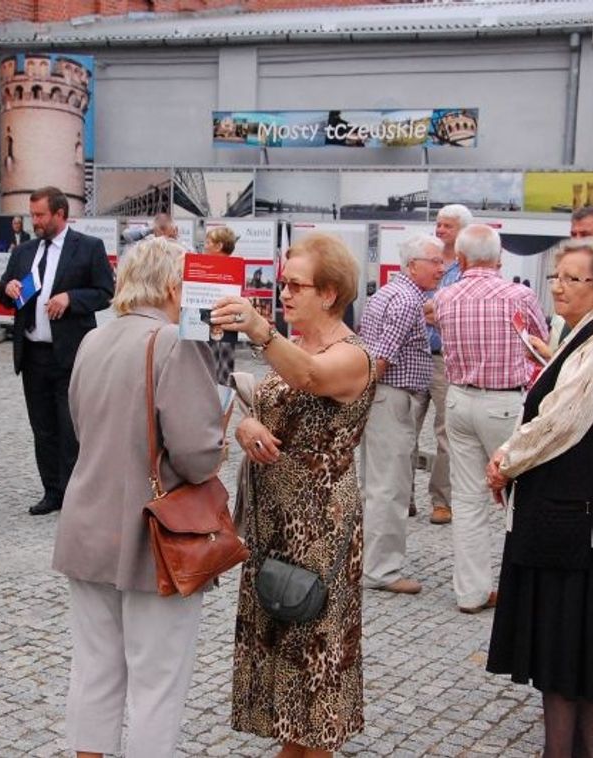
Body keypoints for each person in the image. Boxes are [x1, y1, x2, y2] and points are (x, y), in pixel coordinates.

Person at [53, 237, 225, 757]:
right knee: (156, 684)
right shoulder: (173, 341)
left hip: (88, 522)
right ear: (175, 285)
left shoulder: (92, 340)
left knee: (94, 670)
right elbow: (197, 455)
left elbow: (83, 426)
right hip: (155, 535)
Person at [215, 232, 375, 757]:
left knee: (314, 662)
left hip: (320, 528)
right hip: (272, 523)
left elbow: (308, 379)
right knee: (281, 653)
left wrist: (259, 330)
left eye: (294, 285)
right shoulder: (296, 347)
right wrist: (246, 428)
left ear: (329, 293)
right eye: (283, 283)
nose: (283, 293)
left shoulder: (352, 355)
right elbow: (264, 405)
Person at [485, 237, 593, 756]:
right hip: (570, 523)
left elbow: (562, 422)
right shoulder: (583, 333)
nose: (557, 286)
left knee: (565, 656)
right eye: (556, 275)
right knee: (566, 662)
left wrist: (505, 460)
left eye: (571, 278)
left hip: (579, 529)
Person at [434, 224, 547, 614]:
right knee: (521, 497)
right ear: (499, 258)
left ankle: (471, 593)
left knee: (467, 501)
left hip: (459, 400)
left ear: (461, 259)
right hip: (504, 404)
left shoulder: (445, 297)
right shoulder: (519, 295)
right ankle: (525, 590)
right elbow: (542, 350)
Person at [0, 186, 114, 516]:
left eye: (40, 215)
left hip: (72, 353)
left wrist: (71, 299)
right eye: (32, 214)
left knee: (70, 425)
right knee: (43, 426)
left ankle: (76, 492)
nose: (34, 221)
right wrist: (9, 288)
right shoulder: (24, 252)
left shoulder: (88, 247)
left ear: (60, 214)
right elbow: (5, 295)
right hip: (33, 354)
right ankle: (51, 491)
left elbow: (105, 292)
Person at [358, 233, 445, 597]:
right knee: (389, 488)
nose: (442, 268)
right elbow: (381, 356)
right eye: (435, 262)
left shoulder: (390, 293)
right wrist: (358, 395)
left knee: (376, 485)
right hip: (392, 399)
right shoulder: (408, 299)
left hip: (384, 398)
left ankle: (366, 561)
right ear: (413, 266)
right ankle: (380, 570)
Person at [417, 203, 471, 525]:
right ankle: (401, 496)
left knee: (445, 434)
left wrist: (438, 312)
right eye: (438, 224)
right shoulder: (426, 259)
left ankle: (441, 500)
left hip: (444, 360)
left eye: (446, 226)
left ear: (461, 230)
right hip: (414, 354)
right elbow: (416, 305)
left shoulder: (465, 270)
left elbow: (453, 314)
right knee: (404, 428)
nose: (439, 230)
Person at [202, 225, 238, 384]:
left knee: (223, 370)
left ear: (219, 246)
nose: (205, 245)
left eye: (208, 242)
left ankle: (222, 403)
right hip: (205, 322)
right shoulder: (202, 266)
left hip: (224, 327)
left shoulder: (233, 269)